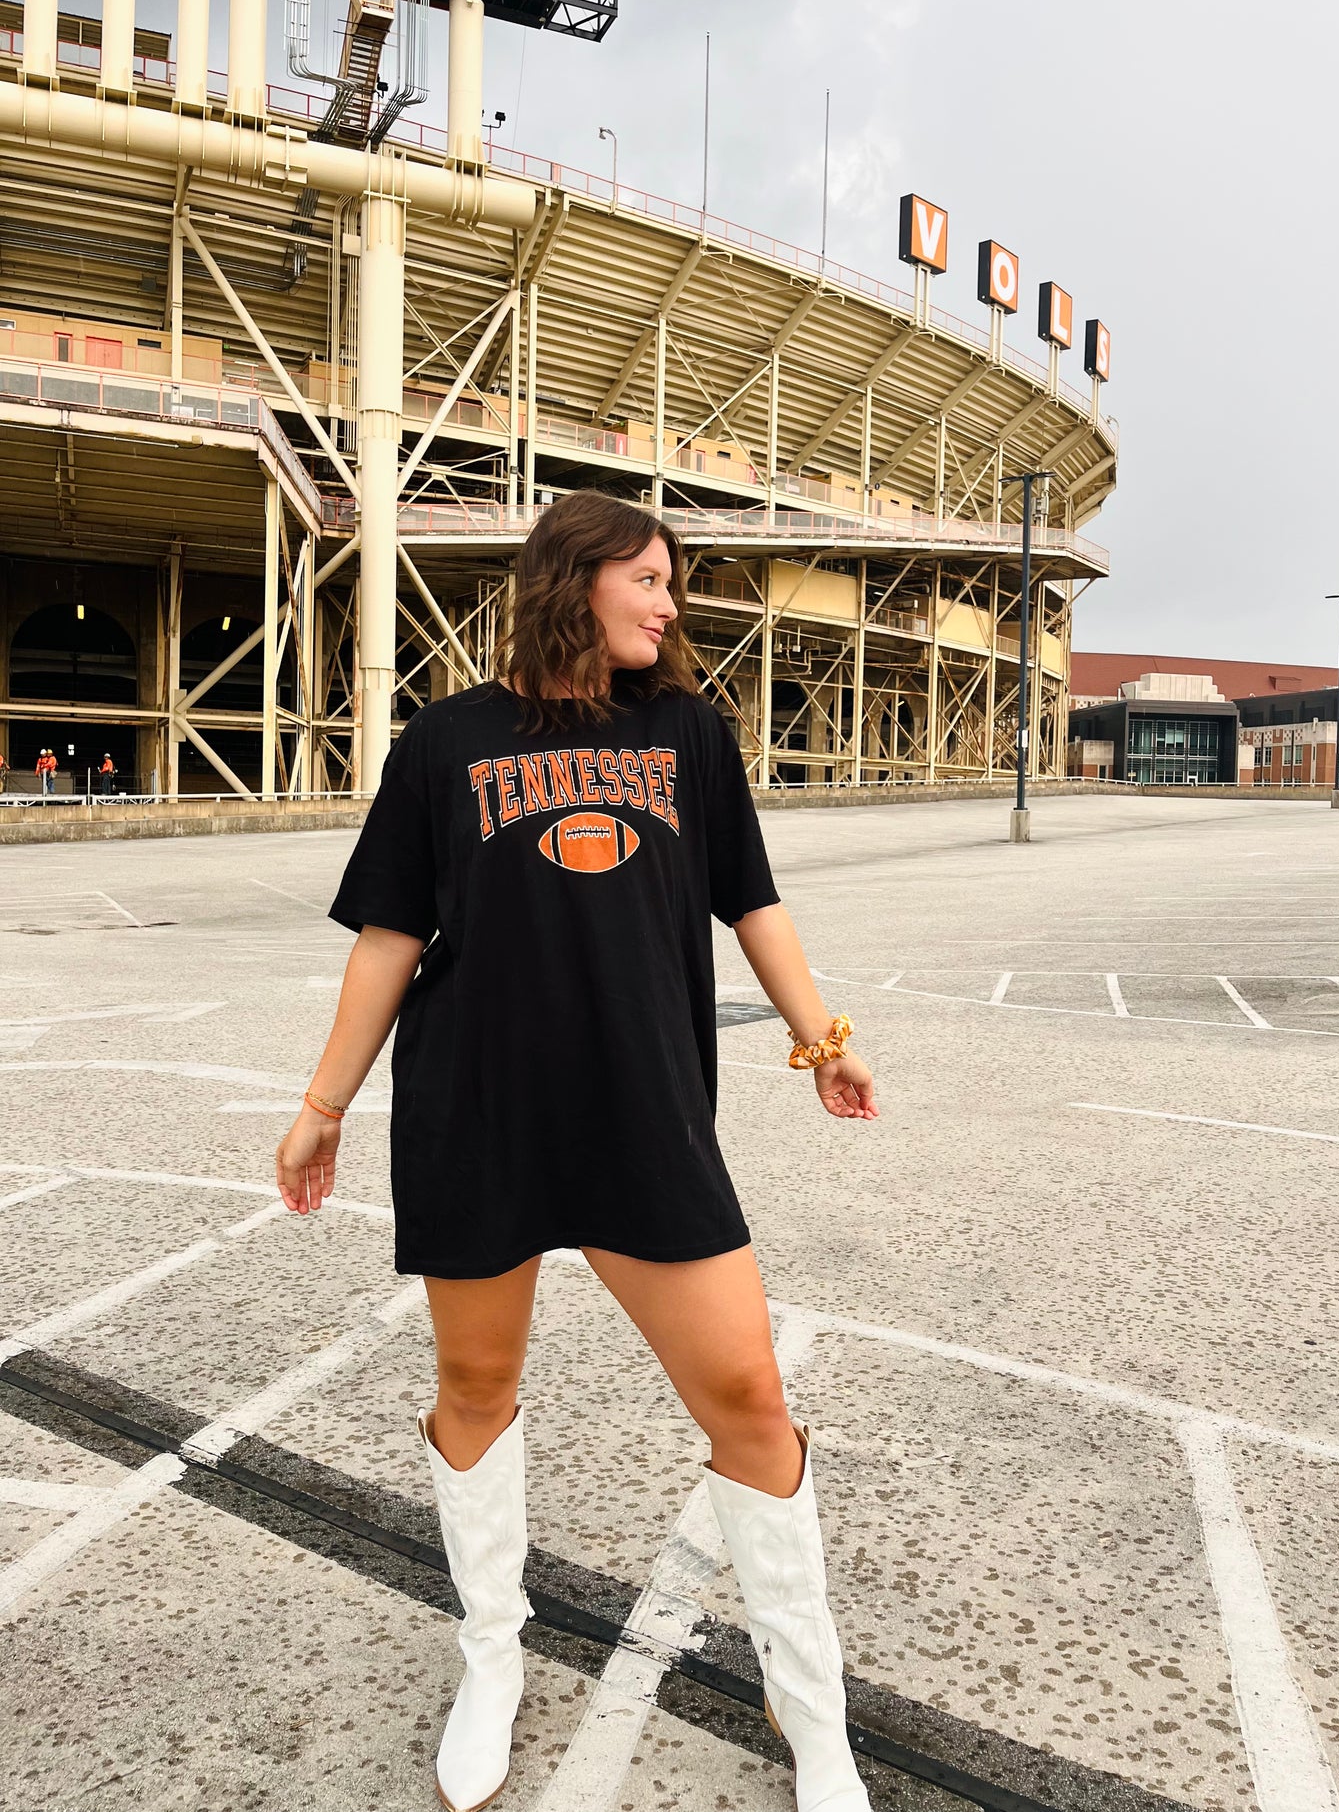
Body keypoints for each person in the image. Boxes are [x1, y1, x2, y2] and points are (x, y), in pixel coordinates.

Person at [275, 492, 880, 1812]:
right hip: (477, 1111)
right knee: (475, 1385)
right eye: (650, 581)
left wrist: (820, 1033)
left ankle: (808, 1703)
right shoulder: (446, 744)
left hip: (641, 1110)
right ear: (574, 581)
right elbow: (385, 936)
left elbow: (750, 901)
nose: (669, 606)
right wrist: (323, 1102)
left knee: (748, 1399)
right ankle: (492, 1656)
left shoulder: (685, 733)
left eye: (671, 585)